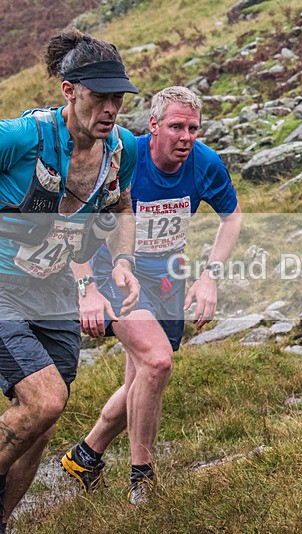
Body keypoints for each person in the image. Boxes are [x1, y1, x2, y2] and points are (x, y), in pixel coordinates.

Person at [61, 86, 242, 503]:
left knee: (144, 375)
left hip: (167, 279)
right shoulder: (124, 157)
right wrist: (84, 283)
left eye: (193, 128)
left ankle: (86, 456)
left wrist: (210, 276)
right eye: (177, 126)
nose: (186, 137)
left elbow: (231, 217)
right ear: (154, 125)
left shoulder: (205, 163)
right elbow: (73, 220)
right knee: (158, 363)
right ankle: (143, 478)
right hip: (115, 274)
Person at [0, 29, 139, 531]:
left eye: (117, 97)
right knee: (45, 399)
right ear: (69, 90)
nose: (110, 108)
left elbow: (122, 206)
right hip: (3, 284)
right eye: (99, 95)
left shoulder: (120, 149)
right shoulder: (22, 137)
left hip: (53, 288)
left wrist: (121, 262)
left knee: (39, 423)